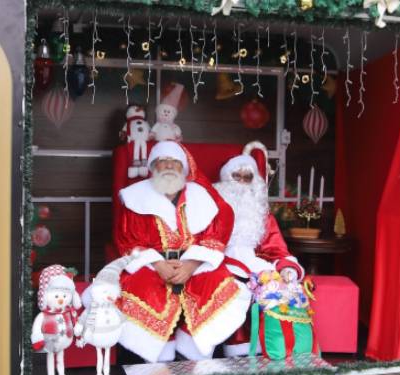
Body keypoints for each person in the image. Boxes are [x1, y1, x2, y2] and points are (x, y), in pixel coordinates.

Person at [115, 141, 251, 362]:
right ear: (152, 167)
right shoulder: (133, 197)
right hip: (151, 265)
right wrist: (158, 264)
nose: (169, 166)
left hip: (194, 263)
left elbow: (214, 236)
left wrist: (192, 264)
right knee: (138, 288)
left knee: (221, 283)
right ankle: (159, 353)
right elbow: (128, 240)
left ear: (184, 168)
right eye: (163, 161)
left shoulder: (202, 196)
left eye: (175, 162)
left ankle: (194, 346)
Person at [214, 154, 304, 357]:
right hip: (218, 264)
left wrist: (287, 267)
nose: (242, 182)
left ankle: (276, 349)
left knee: (279, 287)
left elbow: (277, 248)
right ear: (225, 179)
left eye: (248, 177)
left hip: (256, 266)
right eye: (237, 176)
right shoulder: (211, 210)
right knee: (236, 289)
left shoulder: (263, 215)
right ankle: (238, 348)